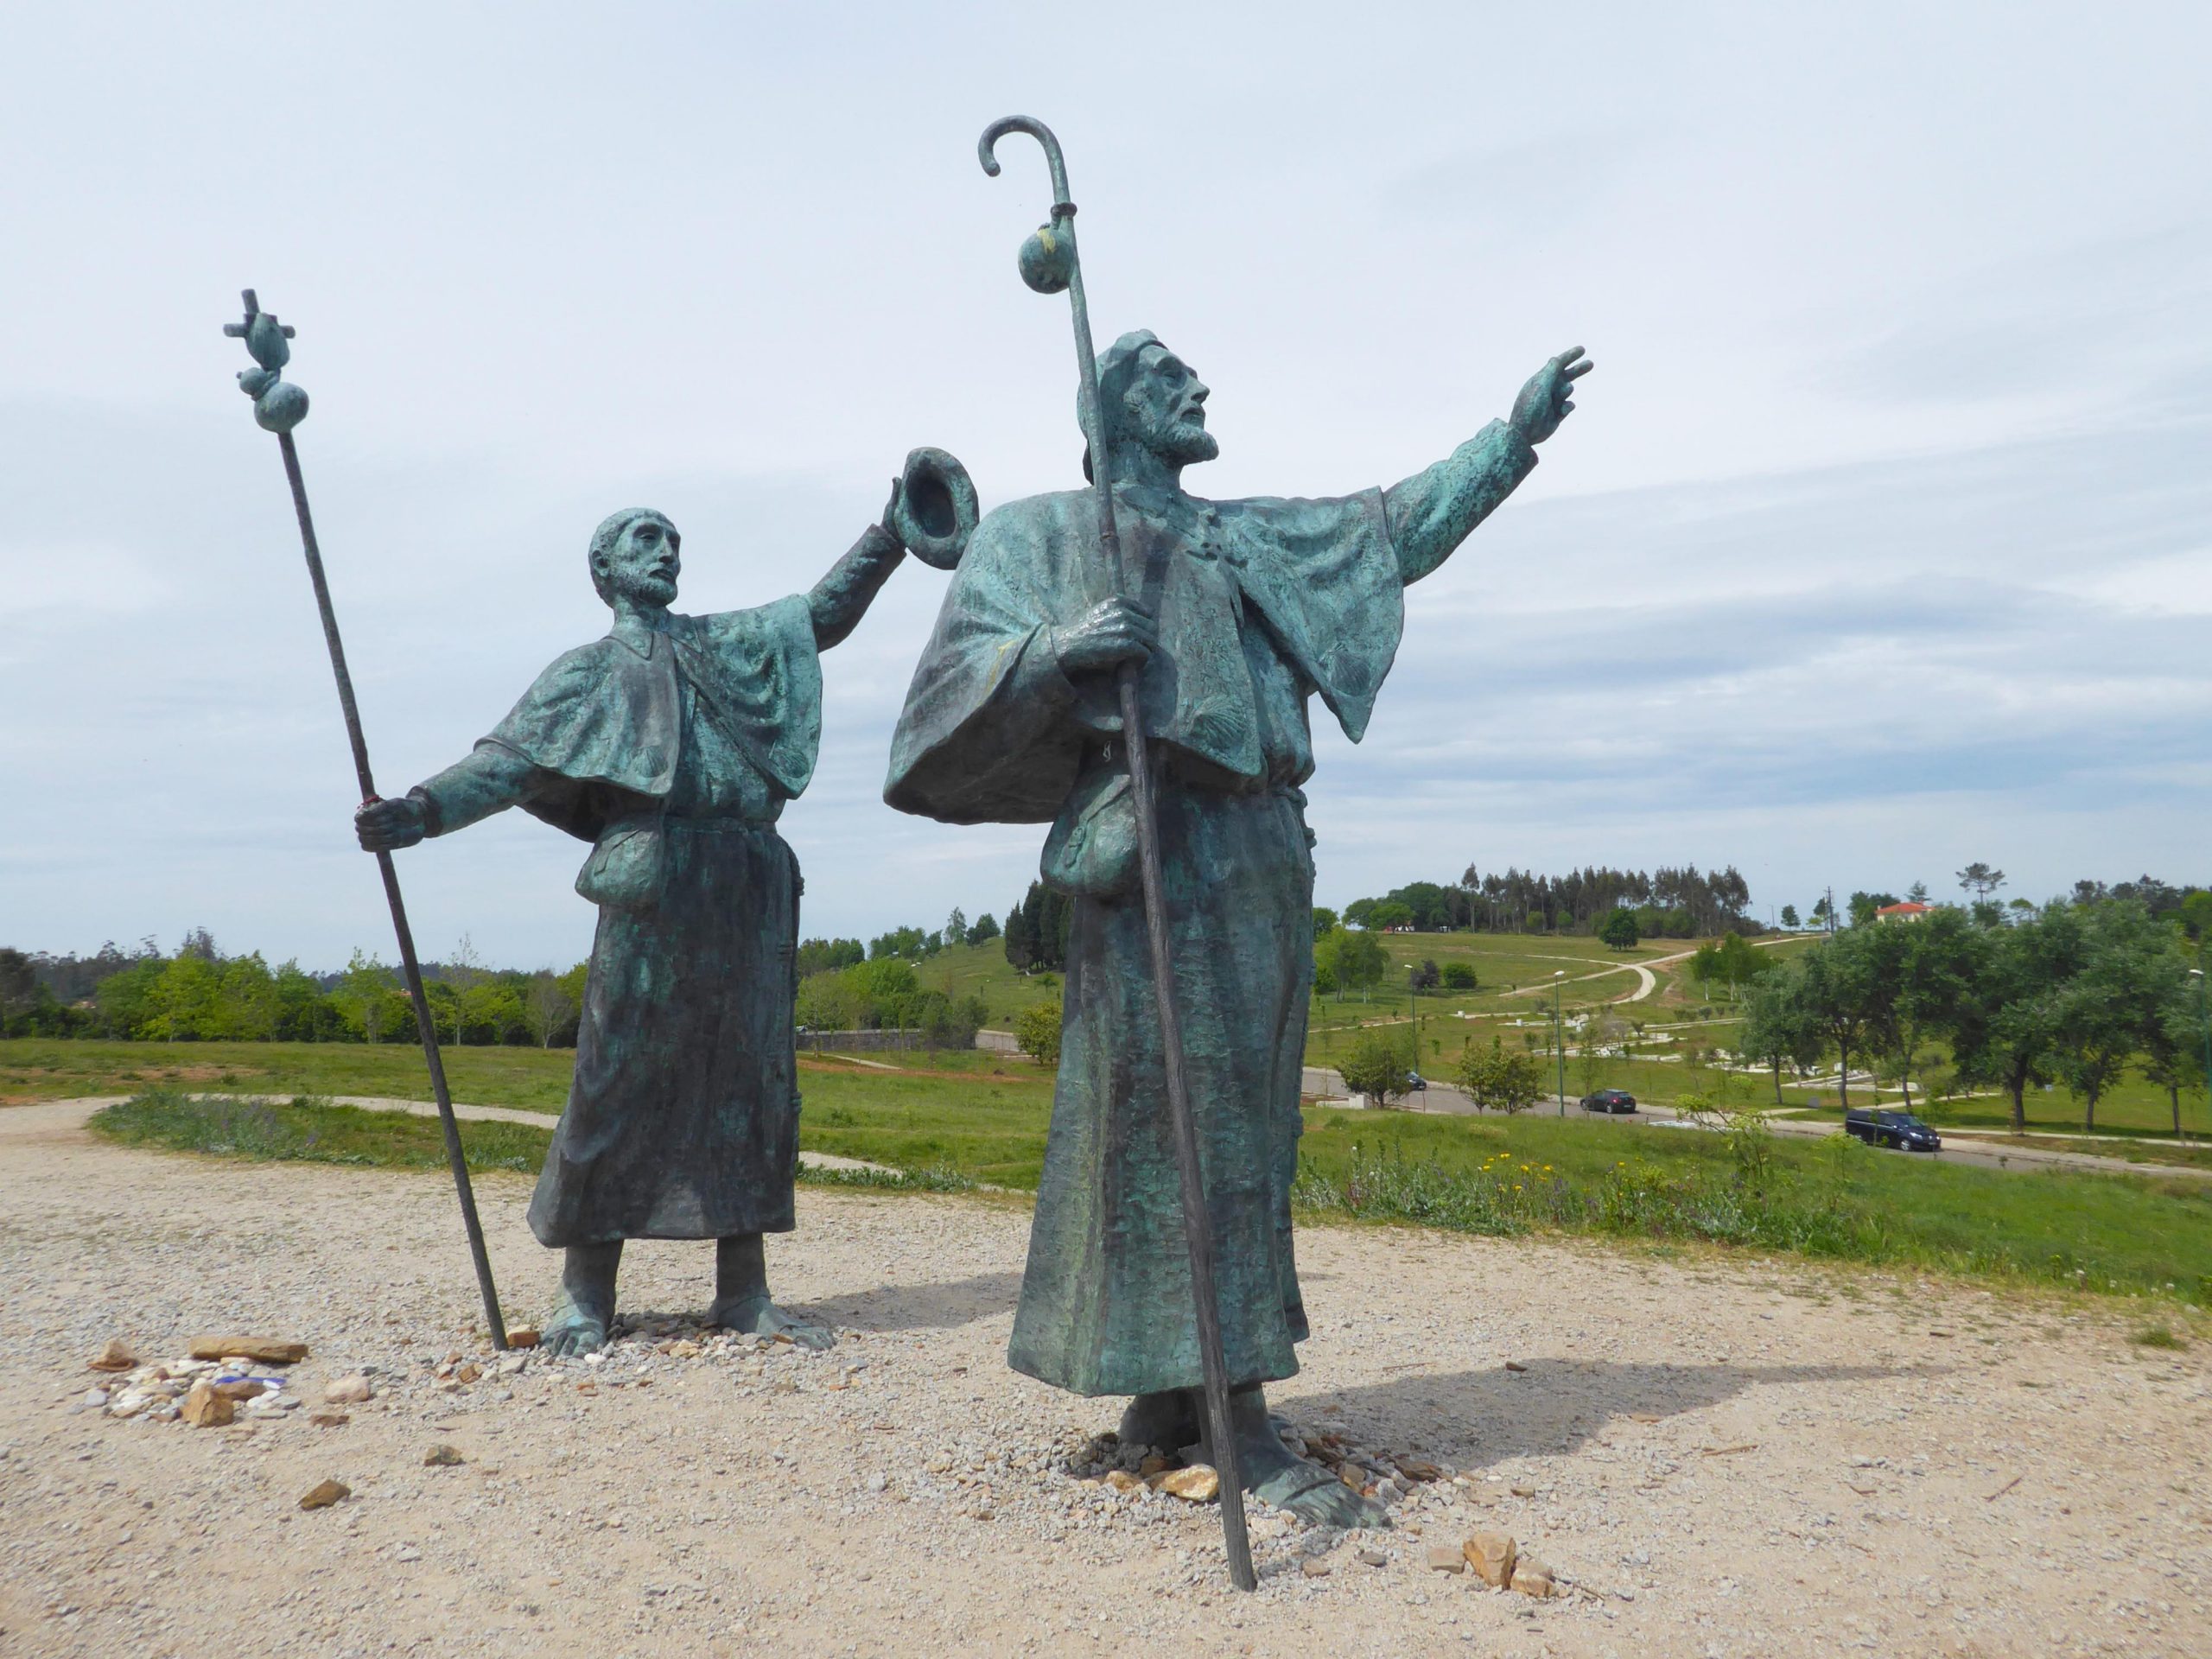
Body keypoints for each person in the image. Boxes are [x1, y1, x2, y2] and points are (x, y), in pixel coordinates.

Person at [885, 331, 1591, 1522]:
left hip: (1261, 851)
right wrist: (1057, 656)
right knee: (1173, 1131)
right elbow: (936, 715)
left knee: (1244, 1135)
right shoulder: (1045, 537)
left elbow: (1387, 532)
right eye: (1168, 377)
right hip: (1155, 848)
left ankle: (1173, 1402)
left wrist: (1508, 441)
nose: (1199, 387)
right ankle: (1233, 1419)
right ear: (1111, 409)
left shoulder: (1243, 534)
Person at [358, 490, 915, 1355]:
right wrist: (421, 812)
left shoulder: (720, 644)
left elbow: (816, 618)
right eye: (645, 539)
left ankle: (745, 1290)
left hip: (747, 882)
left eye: (673, 540)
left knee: (749, 1086)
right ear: (603, 568)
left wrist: (888, 537)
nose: (666, 551)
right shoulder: (585, 673)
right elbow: (503, 766)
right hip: (654, 881)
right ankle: (586, 1293)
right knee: (617, 1081)